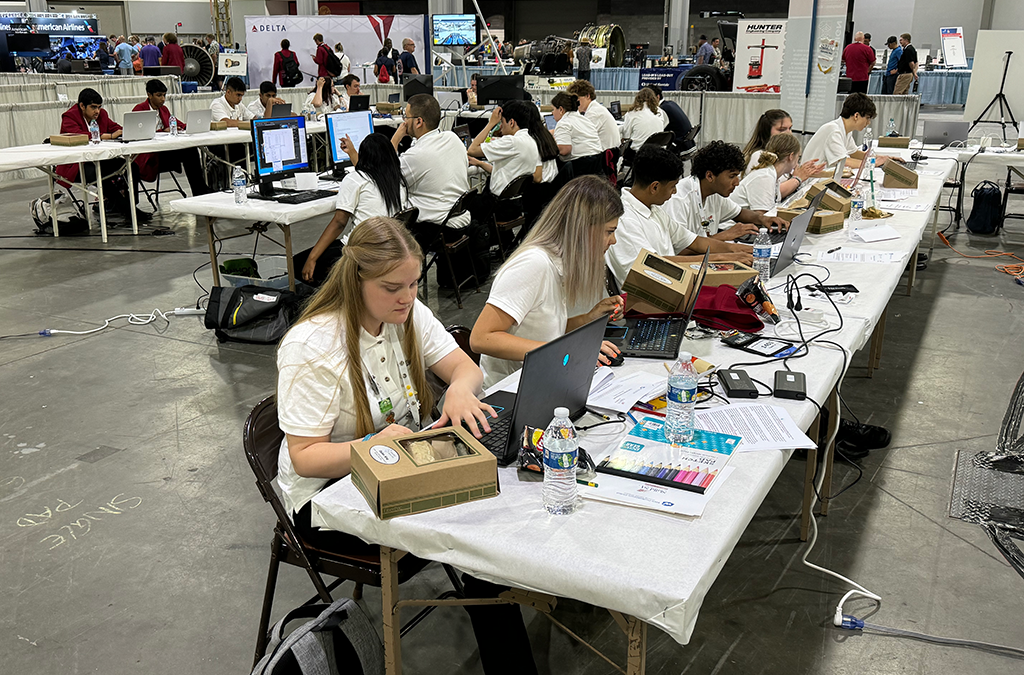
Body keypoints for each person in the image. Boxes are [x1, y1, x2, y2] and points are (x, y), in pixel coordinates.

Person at [278, 217, 539, 675]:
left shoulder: (407, 313)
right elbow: (305, 458)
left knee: (492, 498)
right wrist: (371, 445)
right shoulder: (312, 345)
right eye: (392, 287)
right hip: (327, 495)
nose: (407, 296)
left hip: (400, 458)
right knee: (476, 537)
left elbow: (466, 368)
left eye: (415, 283)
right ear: (356, 280)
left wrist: (459, 389)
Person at [471, 176, 624, 388]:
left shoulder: (558, 262)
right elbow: (481, 338)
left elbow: (544, 332)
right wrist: (565, 351)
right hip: (510, 390)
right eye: (609, 232)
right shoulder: (533, 264)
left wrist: (588, 318)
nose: (613, 240)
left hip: (539, 381)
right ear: (582, 228)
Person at [606, 146, 754, 286]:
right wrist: (720, 257)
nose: (675, 191)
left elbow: (696, 242)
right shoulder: (624, 218)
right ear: (655, 187)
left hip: (671, 282)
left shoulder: (654, 210)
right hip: (648, 294)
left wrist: (736, 250)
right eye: (672, 186)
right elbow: (652, 265)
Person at [297, 135, 408, 285]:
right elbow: (366, 176)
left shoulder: (355, 179)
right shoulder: (397, 181)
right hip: (389, 250)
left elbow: (339, 223)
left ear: (364, 156)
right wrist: (352, 152)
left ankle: (341, 293)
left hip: (360, 252)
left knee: (298, 263)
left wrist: (312, 258)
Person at [664, 141, 788, 243]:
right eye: (732, 176)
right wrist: (725, 235)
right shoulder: (678, 200)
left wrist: (763, 219)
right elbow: (679, 250)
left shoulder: (713, 193)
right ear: (710, 176)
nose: (737, 183)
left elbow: (739, 213)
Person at [391, 94, 471, 245]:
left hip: (438, 230)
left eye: (406, 117)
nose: (404, 122)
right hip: (461, 221)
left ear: (419, 122)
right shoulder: (452, 138)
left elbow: (387, 174)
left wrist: (396, 138)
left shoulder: (417, 155)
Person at [55, 89, 145, 222]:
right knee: (101, 175)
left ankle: (131, 204)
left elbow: (114, 127)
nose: (97, 111)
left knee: (131, 167)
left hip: (99, 159)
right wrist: (109, 136)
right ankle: (129, 212)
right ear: (82, 106)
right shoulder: (69, 117)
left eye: (99, 107)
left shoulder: (102, 114)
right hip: (76, 164)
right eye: (93, 107)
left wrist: (128, 131)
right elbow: (78, 136)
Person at [132, 79, 210, 198]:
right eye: (159, 95)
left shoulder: (164, 109)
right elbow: (139, 133)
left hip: (164, 150)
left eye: (164, 95)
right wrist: (163, 131)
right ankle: (200, 190)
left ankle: (200, 190)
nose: (163, 99)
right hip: (150, 156)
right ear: (149, 95)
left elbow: (177, 123)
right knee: (188, 152)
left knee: (190, 149)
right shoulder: (139, 110)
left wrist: (189, 126)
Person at [468, 101, 556, 196]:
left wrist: (491, 123)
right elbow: (509, 174)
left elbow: (472, 150)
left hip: (497, 200)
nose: (500, 126)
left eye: (502, 122)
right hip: (517, 198)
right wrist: (480, 163)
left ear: (511, 122)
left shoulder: (511, 142)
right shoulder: (532, 140)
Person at [741, 109, 824, 197]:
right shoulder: (759, 156)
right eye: (781, 129)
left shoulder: (783, 155)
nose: (789, 133)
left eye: (790, 128)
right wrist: (797, 179)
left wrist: (805, 171)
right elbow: (770, 192)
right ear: (766, 132)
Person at [802, 92, 899, 168]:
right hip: (812, 181)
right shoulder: (833, 130)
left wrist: (880, 158)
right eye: (867, 118)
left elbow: (854, 153)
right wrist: (874, 163)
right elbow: (844, 162)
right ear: (856, 116)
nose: (868, 122)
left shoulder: (845, 130)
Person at [731, 133, 802, 212]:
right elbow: (761, 216)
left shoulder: (771, 176)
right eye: (798, 157)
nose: (797, 163)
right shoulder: (764, 177)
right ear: (791, 156)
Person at [566, 79, 618, 151]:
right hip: (607, 152)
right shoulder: (595, 109)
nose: (574, 104)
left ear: (587, 96)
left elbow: (581, 137)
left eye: (577, 100)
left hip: (604, 154)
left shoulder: (594, 113)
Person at [550, 92, 603, 162]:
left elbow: (565, 150)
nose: (552, 112)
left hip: (580, 164)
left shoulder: (564, 122)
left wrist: (548, 146)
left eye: (553, 109)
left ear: (561, 110)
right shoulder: (585, 120)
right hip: (597, 162)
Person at [648, 85, 694, 153]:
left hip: (679, 147)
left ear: (657, 97)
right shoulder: (671, 103)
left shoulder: (661, 110)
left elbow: (658, 130)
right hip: (688, 144)